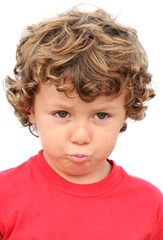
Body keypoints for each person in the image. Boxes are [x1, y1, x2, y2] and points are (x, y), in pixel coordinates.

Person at [1, 5, 163, 239]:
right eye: (62, 114)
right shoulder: (4, 196)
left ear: (127, 111)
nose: (80, 137)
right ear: (30, 109)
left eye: (101, 115)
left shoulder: (151, 205)